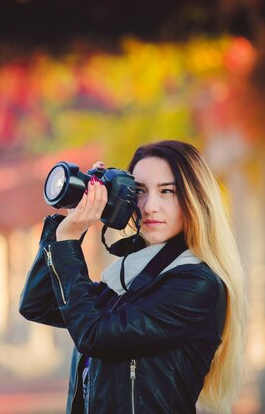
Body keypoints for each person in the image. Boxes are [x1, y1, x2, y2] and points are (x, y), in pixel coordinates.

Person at [19, 140, 247, 414]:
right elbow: (37, 304)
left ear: (194, 199)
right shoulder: (126, 280)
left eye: (167, 192)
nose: (150, 206)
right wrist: (72, 225)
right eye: (139, 191)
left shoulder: (196, 285)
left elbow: (96, 335)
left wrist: (67, 241)